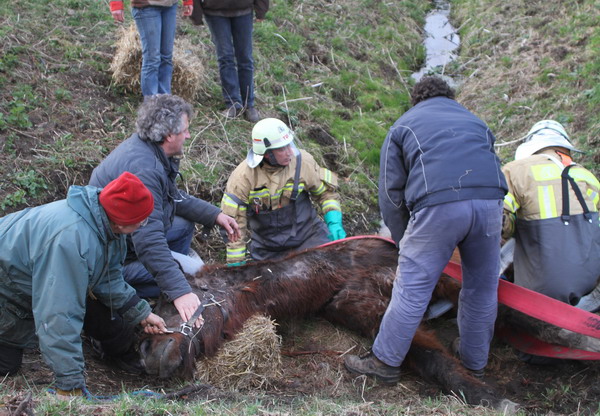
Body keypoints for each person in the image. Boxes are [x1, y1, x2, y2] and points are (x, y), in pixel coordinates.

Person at [344, 76, 508, 382]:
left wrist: (403, 239)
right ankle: (474, 361)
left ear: (416, 100)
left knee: (412, 289)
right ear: (450, 97)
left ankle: (384, 361)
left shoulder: (404, 126)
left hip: (440, 204)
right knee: (482, 288)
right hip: (490, 203)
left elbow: (392, 195)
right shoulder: (476, 122)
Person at [0, 172, 168, 398]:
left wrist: (139, 312)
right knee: (6, 367)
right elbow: (59, 313)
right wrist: (70, 384)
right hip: (6, 293)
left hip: (18, 282)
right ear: (121, 221)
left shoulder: (102, 221)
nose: (142, 225)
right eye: (141, 221)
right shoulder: (71, 241)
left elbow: (108, 275)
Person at [88, 94, 240, 343]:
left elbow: (173, 197)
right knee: (185, 275)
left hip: (126, 239)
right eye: (186, 130)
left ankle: (162, 277)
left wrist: (215, 215)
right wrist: (179, 289)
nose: (188, 136)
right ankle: (146, 292)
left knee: (182, 226)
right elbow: (148, 240)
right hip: (111, 261)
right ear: (169, 135)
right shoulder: (145, 169)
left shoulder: (147, 148)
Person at [221, 117, 346, 264]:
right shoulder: (242, 178)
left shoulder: (303, 162)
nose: (289, 152)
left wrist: (334, 221)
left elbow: (326, 193)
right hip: (268, 249)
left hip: (309, 237)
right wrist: (236, 263)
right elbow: (233, 223)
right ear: (266, 153)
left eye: (289, 145)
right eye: (282, 148)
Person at [502, 120, 600, 305]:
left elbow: (497, 221)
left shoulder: (515, 171)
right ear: (564, 149)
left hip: (541, 291)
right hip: (590, 287)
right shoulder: (587, 176)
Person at [190, 0, 269, 122]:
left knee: (245, 58)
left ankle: (249, 104)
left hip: (243, 10)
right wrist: (196, 13)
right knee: (225, 58)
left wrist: (261, 8)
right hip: (215, 11)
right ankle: (233, 103)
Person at [108, 0, 193, 97]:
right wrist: (116, 4)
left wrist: (188, 1)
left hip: (170, 5)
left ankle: (165, 102)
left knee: (166, 57)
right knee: (152, 59)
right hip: (146, 6)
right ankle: (152, 105)